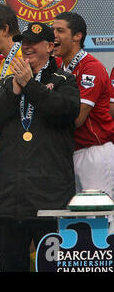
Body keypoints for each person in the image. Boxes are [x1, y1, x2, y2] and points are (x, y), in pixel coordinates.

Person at [0, 22, 80, 272]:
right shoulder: (8, 82)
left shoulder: (64, 80)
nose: (27, 47)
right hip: (12, 200)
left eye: (33, 43)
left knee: (52, 268)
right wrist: (15, 87)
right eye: (24, 43)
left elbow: (65, 112)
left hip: (50, 199)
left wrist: (31, 85)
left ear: (49, 47)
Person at [53, 12, 114, 198]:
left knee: (99, 215)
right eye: (53, 30)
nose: (53, 35)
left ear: (77, 36)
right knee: (77, 218)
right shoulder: (58, 66)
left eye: (60, 30)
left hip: (93, 152)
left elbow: (78, 118)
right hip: (71, 151)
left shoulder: (90, 67)